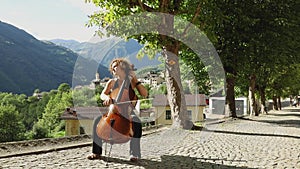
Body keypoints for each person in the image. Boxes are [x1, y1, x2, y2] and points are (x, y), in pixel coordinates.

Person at [87, 58, 148, 162]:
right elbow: (103, 94)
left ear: (123, 68)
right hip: (112, 111)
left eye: (116, 66)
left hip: (127, 111)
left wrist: (136, 80)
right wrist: (107, 98)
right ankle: (96, 152)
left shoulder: (132, 82)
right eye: (113, 67)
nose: (113, 69)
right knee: (97, 120)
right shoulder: (111, 82)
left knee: (136, 123)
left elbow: (144, 94)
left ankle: (134, 154)